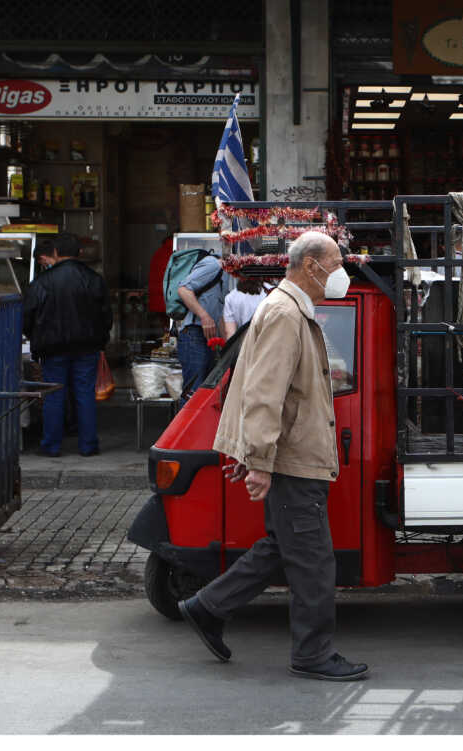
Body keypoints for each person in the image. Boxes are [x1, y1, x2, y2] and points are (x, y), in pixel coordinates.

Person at [178, 231, 368, 683]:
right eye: (334, 263)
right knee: (314, 562)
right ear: (310, 266)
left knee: (284, 548)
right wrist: (260, 461)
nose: (340, 272)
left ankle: (207, 607)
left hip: (291, 453)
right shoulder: (285, 313)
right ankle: (312, 654)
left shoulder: (290, 310)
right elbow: (265, 394)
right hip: (292, 458)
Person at [23, 233, 112, 457]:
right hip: (87, 346)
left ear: (54, 253)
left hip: (52, 348)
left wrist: (33, 337)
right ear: (79, 253)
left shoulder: (42, 282)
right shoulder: (94, 279)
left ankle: (51, 445)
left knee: (54, 395)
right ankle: (88, 445)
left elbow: (28, 317)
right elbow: (106, 317)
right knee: (84, 394)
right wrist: (101, 341)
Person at [176, 249, 230, 398]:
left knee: (204, 396)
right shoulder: (213, 265)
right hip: (194, 335)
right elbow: (184, 289)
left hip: (210, 339)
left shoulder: (228, 275)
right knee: (192, 395)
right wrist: (203, 316)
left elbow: (220, 314)